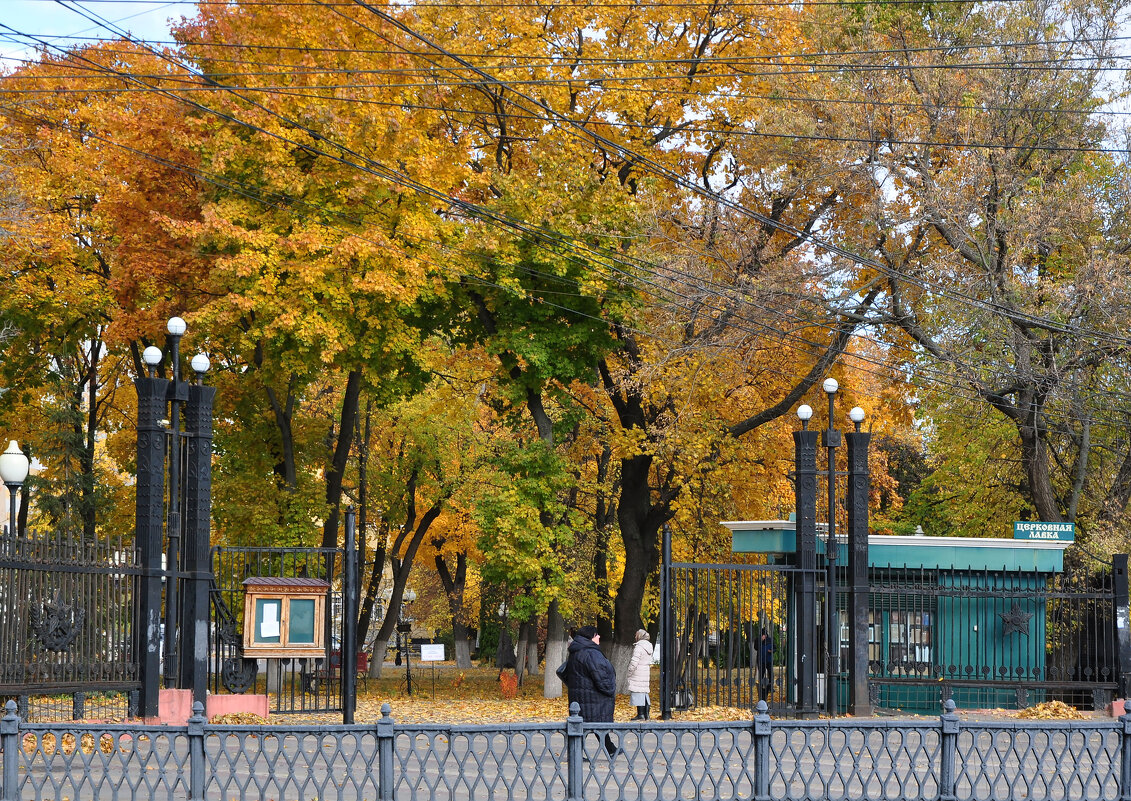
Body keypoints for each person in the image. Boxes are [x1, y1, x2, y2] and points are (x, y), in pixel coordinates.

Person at [558, 625, 618, 755]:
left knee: (586, 726)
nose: (599, 637)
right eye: (597, 635)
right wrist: (610, 689)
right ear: (591, 637)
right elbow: (601, 676)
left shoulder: (577, 651)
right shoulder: (591, 653)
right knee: (595, 724)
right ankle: (576, 755)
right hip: (593, 697)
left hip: (580, 697)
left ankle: (610, 749)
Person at [627, 629, 653, 720]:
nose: (635, 637)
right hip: (645, 671)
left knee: (638, 692)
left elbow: (634, 661)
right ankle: (647, 715)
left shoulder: (639, 647)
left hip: (638, 672)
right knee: (644, 693)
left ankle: (640, 715)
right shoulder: (649, 646)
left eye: (636, 635)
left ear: (639, 636)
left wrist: (629, 671)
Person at [759, 629, 774, 699]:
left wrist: (771, 651)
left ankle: (770, 687)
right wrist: (761, 641)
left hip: (768, 660)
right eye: (762, 635)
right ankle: (760, 687)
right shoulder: (759, 640)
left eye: (764, 635)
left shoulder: (769, 640)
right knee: (761, 674)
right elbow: (756, 647)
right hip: (761, 660)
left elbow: (774, 648)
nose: (764, 636)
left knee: (771, 673)